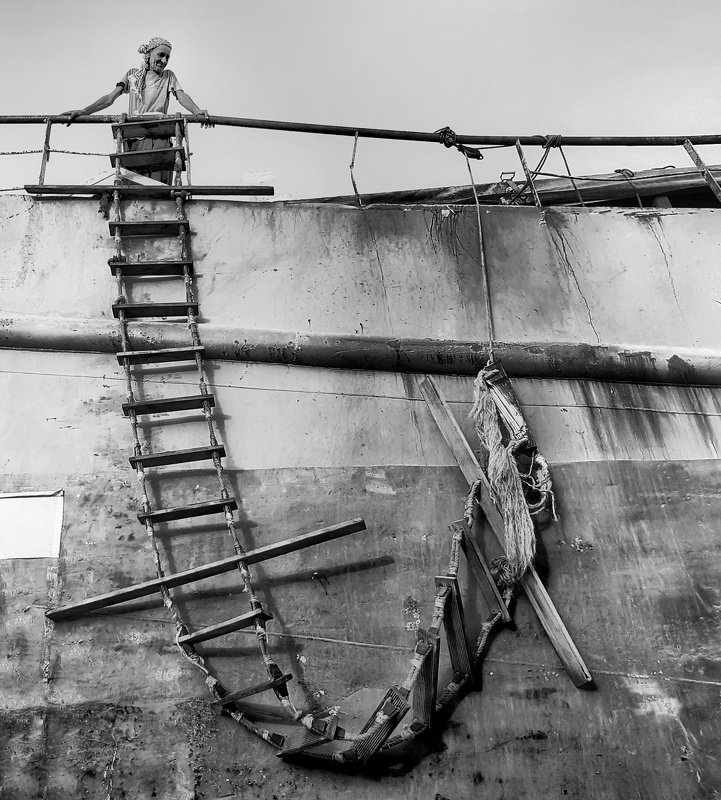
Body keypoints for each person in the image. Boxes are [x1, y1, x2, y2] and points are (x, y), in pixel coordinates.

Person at [61, 36, 212, 183]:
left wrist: (196, 111)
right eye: (161, 55)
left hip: (159, 136)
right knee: (134, 182)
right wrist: (84, 111)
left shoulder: (168, 76)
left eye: (167, 57)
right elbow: (109, 98)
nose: (164, 60)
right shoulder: (132, 75)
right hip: (135, 136)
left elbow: (181, 96)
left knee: (158, 184)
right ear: (148, 54)